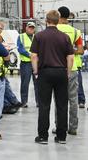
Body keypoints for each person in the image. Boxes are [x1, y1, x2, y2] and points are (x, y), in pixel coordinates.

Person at [30, 9, 73, 145]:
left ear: (46, 21)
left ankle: (42, 137)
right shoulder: (65, 37)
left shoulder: (39, 36)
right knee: (62, 105)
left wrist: (36, 71)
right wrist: (68, 72)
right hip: (61, 72)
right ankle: (61, 136)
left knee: (44, 105)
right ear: (58, 21)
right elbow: (70, 57)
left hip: (45, 73)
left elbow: (33, 55)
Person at [55, 6, 84, 135]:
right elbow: (81, 50)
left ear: (58, 15)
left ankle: (59, 126)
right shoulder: (75, 32)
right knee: (73, 99)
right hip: (72, 69)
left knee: (59, 99)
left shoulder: (53, 29)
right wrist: (70, 51)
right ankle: (73, 127)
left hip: (57, 67)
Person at [16, 21, 36, 108]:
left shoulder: (37, 37)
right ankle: (24, 102)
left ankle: (39, 102)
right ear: (26, 28)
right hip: (26, 64)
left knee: (38, 83)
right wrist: (30, 55)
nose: (31, 29)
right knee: (25, 83)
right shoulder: (21, 36)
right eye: (29, 27)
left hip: (36, 63)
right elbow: (20, 49)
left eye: (32, 28)